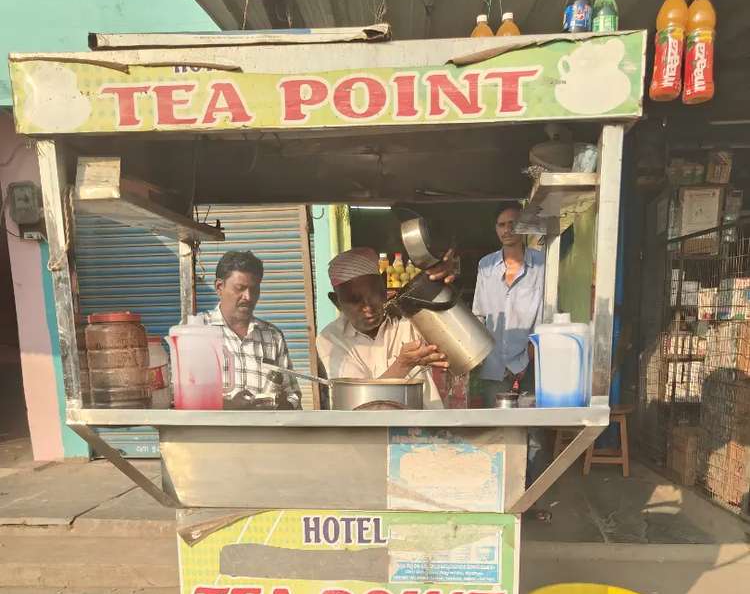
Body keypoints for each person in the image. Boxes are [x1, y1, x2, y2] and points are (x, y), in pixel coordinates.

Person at [316, 247, 455, 409]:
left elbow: (458, 343)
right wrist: (402, 365)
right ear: (337, 302)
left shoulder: (410, 318)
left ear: (383, 288)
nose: (367, 307)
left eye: (373, 294)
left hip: (423, 429)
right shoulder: (330, 339)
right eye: (354, 300)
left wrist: (442, 283)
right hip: (369, 433)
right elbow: (360, 406)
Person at [473, 203, 547, 491]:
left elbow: (546, 312)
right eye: (502, 225)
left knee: (531, 435)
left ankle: (534, 495)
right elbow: (479, 314)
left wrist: (532, 353)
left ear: (524, 227)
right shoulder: (486, 265)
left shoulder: (542, 265)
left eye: (513, 224)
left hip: (527, 360)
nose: (507, 230)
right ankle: (500, 494)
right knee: (497, 431)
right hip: (493, 362)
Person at [198, 249, 301, 409]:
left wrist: (282, 404)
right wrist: (229, 405)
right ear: (219, 287)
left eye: (254, 289)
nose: (249, 296)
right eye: (240, 288)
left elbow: (293, 395)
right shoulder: (197, 331)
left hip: (264, 433)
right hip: (213, 433)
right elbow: (180, 396)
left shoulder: (273, 336)